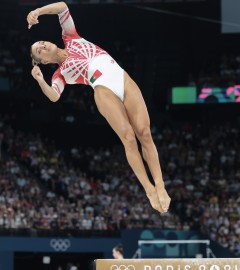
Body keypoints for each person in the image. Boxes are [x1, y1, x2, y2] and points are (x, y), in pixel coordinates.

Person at [26, 1, 171, 213]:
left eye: (41, 42)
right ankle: (149, 189)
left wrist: (38, 11)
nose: (43, 45)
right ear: (44, 61)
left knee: (144, 133)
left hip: (123, 78)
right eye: (39, 50)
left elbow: (63, 7)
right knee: (129, 138)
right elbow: (54, 96)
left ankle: (160, 185)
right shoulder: (60, 74)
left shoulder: (71, 37)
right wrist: (41, 81)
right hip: (103, 90)